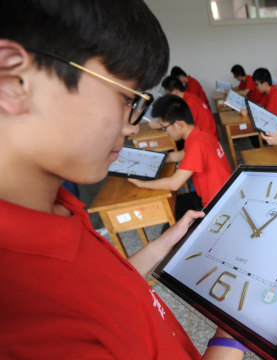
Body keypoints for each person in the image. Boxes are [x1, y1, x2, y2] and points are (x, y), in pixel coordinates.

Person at [0, 1, 244, 359]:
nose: (131, 126)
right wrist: (234, 332)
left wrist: (166, 244)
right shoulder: (32, 326)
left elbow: (107, 287)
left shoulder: (59, 211)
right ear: (13, 80)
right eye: (126, 98)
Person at [129, 95, 232, 219]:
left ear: (178, 124)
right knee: (173, 207)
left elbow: (174, 184)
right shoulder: (200, 133)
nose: (164, 131)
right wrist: (151, 159)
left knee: (170, 215)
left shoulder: (196, 144)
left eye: (164, 127)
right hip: (223, 194)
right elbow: (182, 155)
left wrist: (141, 184)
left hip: (216, 206)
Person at [251, 68, 277, 132]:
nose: (255, 87)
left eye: (257, 84)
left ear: (265, 84)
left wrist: (250, 112)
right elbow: (260, 105)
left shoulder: (274, 96)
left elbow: (268, 118)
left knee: (253, 130)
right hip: (275, 125)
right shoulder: (267, 92)